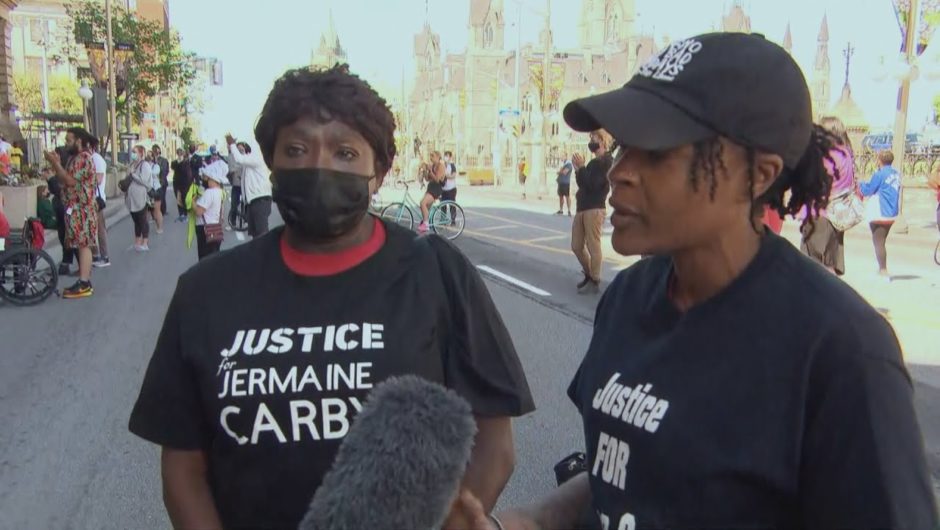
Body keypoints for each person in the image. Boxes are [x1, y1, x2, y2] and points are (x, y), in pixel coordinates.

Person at [455, 32, 938, 530]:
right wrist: (521, 523)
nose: (620, 172)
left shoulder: (841, 350)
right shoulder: (626, 298)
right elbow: (621, 472)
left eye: (657, 152)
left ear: (758, 174)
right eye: (623, 147)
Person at [128, 64, 534, 530]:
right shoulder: (206, 291)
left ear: (378, 173)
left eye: (345, 152)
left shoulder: (436, 273)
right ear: (272, 162)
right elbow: (183, 467)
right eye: (296, 149)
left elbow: (495, 444)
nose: (319, 167)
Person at [43, 127, 98, 299]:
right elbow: (63, 179)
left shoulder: (83, 158)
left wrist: (55, 163)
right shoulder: (74, 159)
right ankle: (83, 280)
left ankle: (84, 282)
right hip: (74, 209)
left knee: (83, 244)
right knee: (80, 244)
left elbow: (68, 180)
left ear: (79, 141)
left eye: (69, 140)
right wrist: (58, 165)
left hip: (82, 210)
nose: (66, 144)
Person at [799, 116, 856, 275]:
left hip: (819, 213)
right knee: (830, 262)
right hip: (837, 215)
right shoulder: (847, 154)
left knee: (813, 266)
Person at [571, 131, 613, 294]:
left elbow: (592, 184)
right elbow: (583, 183)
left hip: (594, 208)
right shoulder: (594, 162)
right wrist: (579, 169)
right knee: (576, 245)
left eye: (593, 138)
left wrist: (581, 168)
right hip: (582, 207)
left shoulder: (605, 162)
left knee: (593, 245)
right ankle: (589, 274)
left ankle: (594, 279)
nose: (591, 141)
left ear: (602, 141)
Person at [860, 149, 901, 279]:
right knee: (881, 240)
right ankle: (881, 268)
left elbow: (868, 191)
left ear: (880, 160)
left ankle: (883, 269)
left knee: (878, 241)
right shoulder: (897, 174)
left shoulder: (879, 174)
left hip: (879, 211)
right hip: (891, 212)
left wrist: (860, 184)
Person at [225, 137, 272, 238]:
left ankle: (266, 254)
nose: (242, 151)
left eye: (243, 149)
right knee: (255, 234)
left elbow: (239, 159)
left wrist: (232, 145)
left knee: (261, 233)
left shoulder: (258, 158)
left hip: (260, 200)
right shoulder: (250, 162)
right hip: (253, 201)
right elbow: (234, 164)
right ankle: (258, 253)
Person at [194, 162, 226, 260]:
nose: (205, 180)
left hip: (205, 229)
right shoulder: (220, 192)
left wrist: (193, 202)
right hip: (216, 227)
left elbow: (199, 212)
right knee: (214, 258)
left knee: (204, 258)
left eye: (206, 177)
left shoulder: (209, 193)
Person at [126, 145, 154, 252]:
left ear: (141, 153)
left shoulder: (145, 165)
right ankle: (137, 242)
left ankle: (145, 242)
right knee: (136, 221)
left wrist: (133, 174)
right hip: (132, 198)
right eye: (132, 151)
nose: (133, 153)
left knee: (142, 220)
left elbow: (145, 181)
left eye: (135, 152)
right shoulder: (132, 164)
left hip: (141, 197)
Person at [88, 138, 110, 268]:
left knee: (99, 229)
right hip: (90, 198)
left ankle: (104, 256)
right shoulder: (91, 158)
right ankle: (96, 254)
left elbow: (99, 178)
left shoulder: (96, 159)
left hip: (96, 199)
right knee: (92, 229)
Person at [418, 150, 445, 233]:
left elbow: (437, 179)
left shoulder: (441, 166)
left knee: (422, 203)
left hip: (436, 189)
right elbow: (427, 179)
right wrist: (425, 171)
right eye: (430, 156)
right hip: (430, 187)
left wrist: (431, 170)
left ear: (438, 157)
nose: (431, 158)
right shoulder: (432, 166)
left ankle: (426, 224)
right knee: (425, 208)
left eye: (432, 156)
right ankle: (425, 223)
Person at [171, 148, 192, 221]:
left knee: (184, 199)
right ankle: (181, 214)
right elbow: (173, 167)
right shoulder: (175, 162)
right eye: (178, 153)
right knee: (178, 199)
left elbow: (188, 173)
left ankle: (185, 214)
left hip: (185, 183)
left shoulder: (186, 162)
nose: (179, 155)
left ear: (183, 154)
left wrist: (189, 184)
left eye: (181, 153)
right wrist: (178, 161)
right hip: (176, 183)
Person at [152, 145, 170, 218]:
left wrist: (157, 164)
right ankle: (155, 212)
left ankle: (162, 211)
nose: (155, 153)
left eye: (156, 151)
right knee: (154, 198)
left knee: (162, 197)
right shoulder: (151, 160)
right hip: (153, 183)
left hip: (162, 182)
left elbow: (165, 170)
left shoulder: (163, 160)